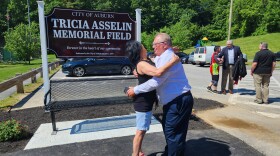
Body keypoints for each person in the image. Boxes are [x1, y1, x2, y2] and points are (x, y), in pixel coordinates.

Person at [127, 33, 194, 156]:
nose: (153, 47)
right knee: (175, 131)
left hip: (178, 100)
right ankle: (174, 152)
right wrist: (137, 69)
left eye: (155, 45)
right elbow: (153, 61)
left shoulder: (168, 57)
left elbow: (156, 81)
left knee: (172, 131)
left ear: (163, 45)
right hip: (178, 99)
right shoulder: (163, 56)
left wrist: (135, 90)